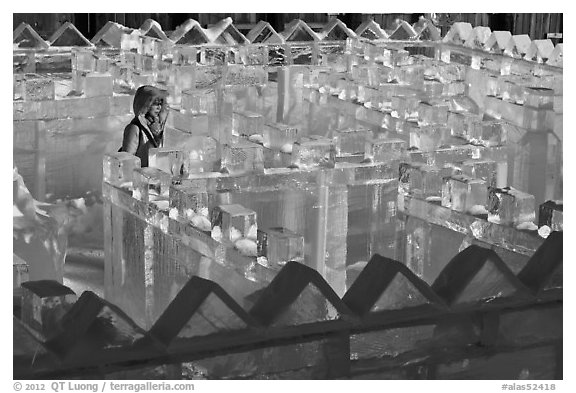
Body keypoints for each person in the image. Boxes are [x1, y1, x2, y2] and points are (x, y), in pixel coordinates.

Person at [120, 85, 169, 167]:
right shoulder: (134, 128)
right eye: (155, 104)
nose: (159, 107)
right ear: (145, 104)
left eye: (160, 104)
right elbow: (127, 161)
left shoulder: (159, 127)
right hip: (140, 176)